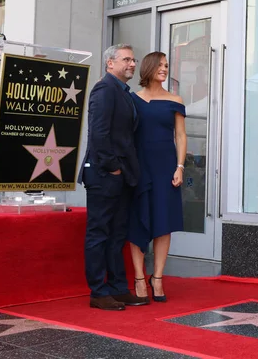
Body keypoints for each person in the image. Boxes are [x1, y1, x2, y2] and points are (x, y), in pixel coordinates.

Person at [78, 44, 149, 310]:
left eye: (133, 59)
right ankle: (98, 292)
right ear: (110, 63)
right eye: (126, 59)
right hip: (103, 174)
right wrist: (112, 167)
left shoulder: (124, 92)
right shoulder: (105, 89)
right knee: (99, 234)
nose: (132, 63)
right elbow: (98, 134)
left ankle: (118, 288)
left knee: (117, 234)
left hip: (121, 177)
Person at [128, 51, 187, 302]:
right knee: (136, 221)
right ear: (148, 67)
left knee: (164, 223)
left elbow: (181, 136)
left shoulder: (175, 99)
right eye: (160, 65)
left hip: (166, 168)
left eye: (166, 65)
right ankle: (140, 277)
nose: (164, 69)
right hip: (139, 167)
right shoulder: (132, 99)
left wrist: (180, 167)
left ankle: (158, 277)